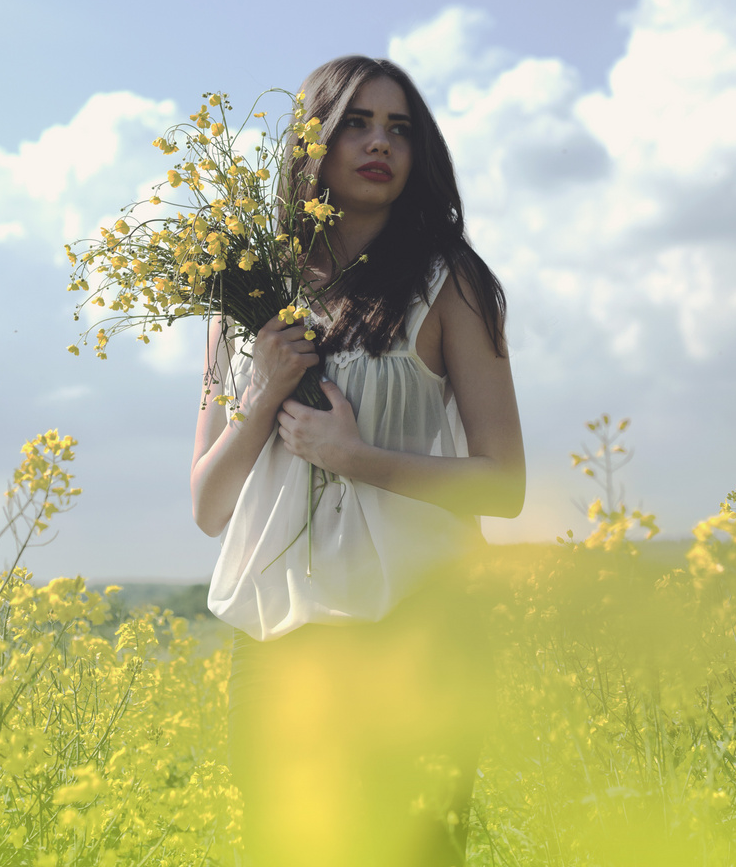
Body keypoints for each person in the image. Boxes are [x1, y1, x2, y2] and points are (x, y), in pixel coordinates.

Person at [190, 55, 525, 866]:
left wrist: (357, 458)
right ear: (314, 144)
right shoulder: (243, 298)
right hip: (278, 642)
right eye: (357, 125)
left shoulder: (452, 285)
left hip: (419, 628)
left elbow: (505, 485)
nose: (381, 144)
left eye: (400, 128)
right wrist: (265, 392)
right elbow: (208, 507)